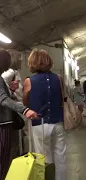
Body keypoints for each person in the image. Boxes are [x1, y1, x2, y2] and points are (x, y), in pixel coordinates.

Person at [23, 49, 66, 180]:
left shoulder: (29, 81)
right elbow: (61, 97)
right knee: (60, 156)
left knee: (43, 157)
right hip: (57, 122)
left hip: (39, 124)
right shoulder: (58, 78)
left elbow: (25, 102)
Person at [0, 49, 38, 180]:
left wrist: (10, 89)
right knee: (3, 159)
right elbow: (3, 99)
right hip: (3, 123)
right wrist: (25, 110)